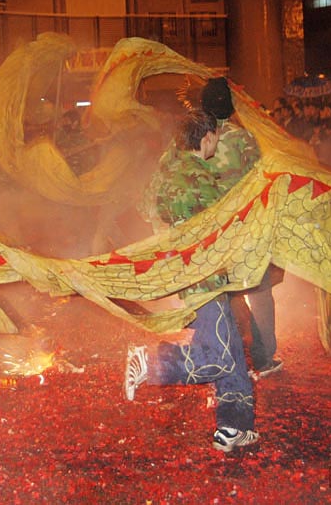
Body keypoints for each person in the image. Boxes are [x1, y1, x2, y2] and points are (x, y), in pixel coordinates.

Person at [126, 109, 258, 453]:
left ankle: (234, 426)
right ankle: (151, 364)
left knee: (231, 351)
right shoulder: (200, 178)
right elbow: (230, 222)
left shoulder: (169, 171)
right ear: (207, 138)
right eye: (215, 136)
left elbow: (145, 207)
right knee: (218, 357)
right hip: (205, 280)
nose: (217, 141)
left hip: (191, 275)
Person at [199, 77, 282, 378]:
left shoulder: (198, 139)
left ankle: (220, 356)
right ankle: (263, 358)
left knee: (218, 295)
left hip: (212, 234)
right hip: (245, 230)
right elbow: (261, 183)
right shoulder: (245, 140)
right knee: (259, 291)